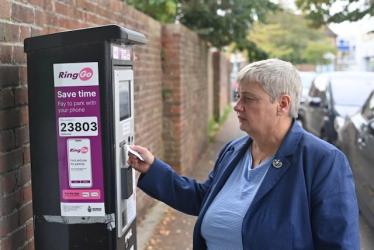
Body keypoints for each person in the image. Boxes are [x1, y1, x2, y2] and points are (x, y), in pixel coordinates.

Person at [127, 58, 360, 249]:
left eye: (248, 98)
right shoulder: (234, 149)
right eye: (239, 97)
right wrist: (154, 168)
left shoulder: (323, 161)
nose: (238, 106)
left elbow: (338, 243)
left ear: (282, 104)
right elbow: (204, 198)